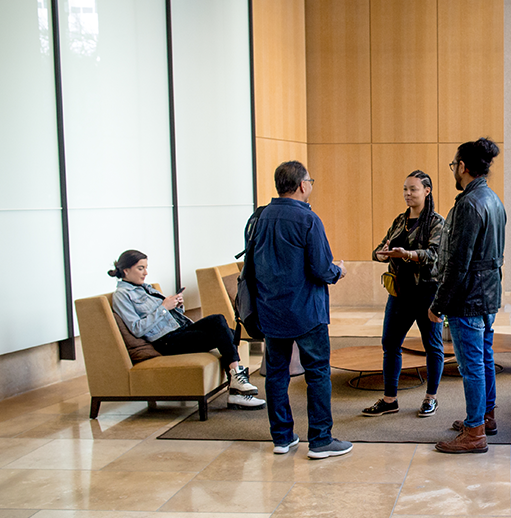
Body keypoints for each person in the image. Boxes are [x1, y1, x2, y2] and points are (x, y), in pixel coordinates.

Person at [250, 161, 352, 459]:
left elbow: (253, 267)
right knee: (317, 372)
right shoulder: (308, 220)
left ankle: (282, 438)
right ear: (301, 186)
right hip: (306, 312)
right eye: (310, 181)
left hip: (271, 311)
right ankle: (320, 440)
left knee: (276, 374)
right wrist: (339, 271)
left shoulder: (260, 218)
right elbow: (321, 269)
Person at [109, 250, 264, 410]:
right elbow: (137, 329)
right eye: (140, 268)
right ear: (126, 270)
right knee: (226, 336)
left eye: (146, 267)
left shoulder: (145, 288)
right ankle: (237, 385)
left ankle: (236, 388)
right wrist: (163, 307)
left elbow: (166, 316)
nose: (146, 273)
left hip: (180, 329)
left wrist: (176, 305)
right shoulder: (122, 295)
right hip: (167, 341)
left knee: (222, 326)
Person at [430, 138, 506, 454]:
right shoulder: (494, 200)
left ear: (462, 167)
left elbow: (458, 263)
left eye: (454, 165)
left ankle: (475, 433)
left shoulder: (467, 204)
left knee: (471, 365)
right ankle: (484, 417)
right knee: (484, 359)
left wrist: (439, 304)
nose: (454, 170)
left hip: (469, 299)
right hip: (488, 296)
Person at [364, 170, 446, 418]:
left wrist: (408, 255)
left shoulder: (436, 222)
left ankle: (430, 398)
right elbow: (381, 248)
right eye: (405, 189)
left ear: (427, 191)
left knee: (433, 346)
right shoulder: (400, 220)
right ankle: (390, 400)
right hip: (399, 293)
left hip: (427, 293)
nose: (407, 194)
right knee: (390, 344)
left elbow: (434, 256)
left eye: (413, 189)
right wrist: (380, 254)